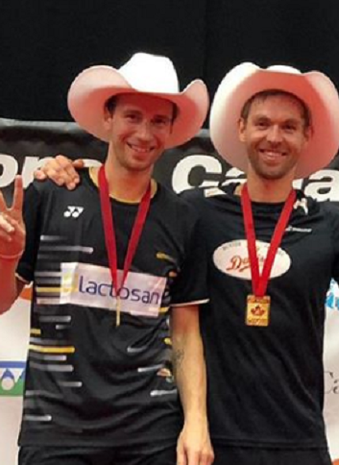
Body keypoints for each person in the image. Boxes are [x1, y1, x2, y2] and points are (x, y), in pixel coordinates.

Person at [36, 62, 339, 464]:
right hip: (208, 442)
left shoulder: (329, 223)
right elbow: (125, 198)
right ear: (241, 128)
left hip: (298, 440)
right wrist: (71, 171)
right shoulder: (196, 211)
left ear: (307, 135)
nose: (274, 137)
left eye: (288, 126)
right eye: (262, 123)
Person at [0, 53, 214, 465]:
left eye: (158, 121)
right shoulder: (52, 193)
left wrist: (196, 422)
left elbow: (186, 333)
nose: (144, 133)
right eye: (132, 116)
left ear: (170, 131)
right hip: (56, 431)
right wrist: (7, 258)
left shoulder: (183, 217)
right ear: (108, 118)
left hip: (150, 432)